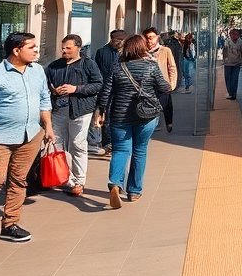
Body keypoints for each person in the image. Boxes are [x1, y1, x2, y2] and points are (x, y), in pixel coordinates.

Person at [0, 32, 53, 243]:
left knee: (19, 181)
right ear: (16, 50)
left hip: (31, 136)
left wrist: (48, 127)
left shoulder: (38, 71)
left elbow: (44, 100)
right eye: (31, 47)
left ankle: (10, 224)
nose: (36, 50)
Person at [96, 34, 171, 208]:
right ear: (142, 48)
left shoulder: (117, 68)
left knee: (121, 150)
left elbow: (106, 91)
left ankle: (115, 183)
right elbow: (165, 88)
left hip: (119, 116)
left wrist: (101, 111)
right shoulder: (151, 67)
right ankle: (134, 191)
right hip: (146, 116)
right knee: (140, 151)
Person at [44, 34, 103, 197]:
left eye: (68, 48)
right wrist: (53, 90)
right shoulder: (54, 66)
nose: (64, 50)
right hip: (58, 109)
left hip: (81, 110)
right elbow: (44, 84)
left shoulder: (88, 64)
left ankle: (79, 180)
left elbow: (98, 85)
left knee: (78, 143)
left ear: (78, 47)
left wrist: (75, 89)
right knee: (57, 143)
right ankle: (65, 177)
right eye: (63, 47)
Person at [90, 30, 126, 155]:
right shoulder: (102, 52)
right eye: (118, 40)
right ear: (112, 39)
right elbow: (99, 72)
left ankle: (115, 142)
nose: (121, 42)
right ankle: (108, 143)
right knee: (105, 116)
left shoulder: (125, 52)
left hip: (120, 90)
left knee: (117, 116)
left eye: (123, 40)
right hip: (106, 89)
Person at [143, 27, 178, 133]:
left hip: (163, 84)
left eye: (151, 37)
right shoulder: (143, 51)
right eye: (146, 38)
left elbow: (172, 67)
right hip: (148, 86)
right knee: (152, 105)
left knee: (166, 105)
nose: (149, 40)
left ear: (157, 37)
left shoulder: (165, 50)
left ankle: (169, 122)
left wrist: (171, 84)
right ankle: (153, 123)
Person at [221, 29, 242, 100]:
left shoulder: (240, 42)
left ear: (238, 35)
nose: (234, 36)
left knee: (233, 79)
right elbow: (224, 51)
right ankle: (231, 93)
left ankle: (232, 94)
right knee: (230, 79)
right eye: (232, 34)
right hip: (229, 63)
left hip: (235, 63)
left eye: (235, 34)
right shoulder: (228, 42)